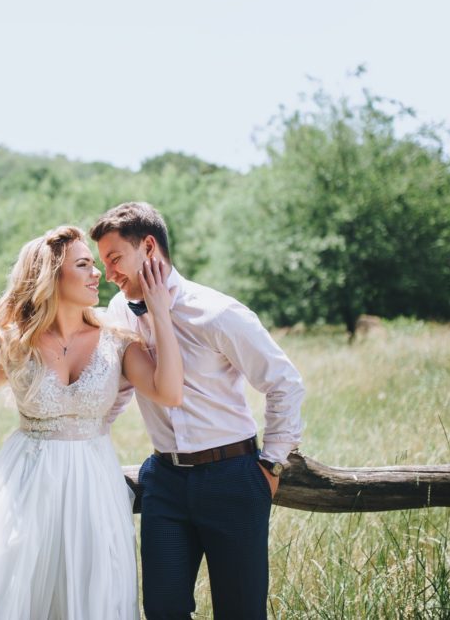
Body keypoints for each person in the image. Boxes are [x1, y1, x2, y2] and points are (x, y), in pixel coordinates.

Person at [0, 224, 184, 620]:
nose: (98, 273)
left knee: (93, 595)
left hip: (95, 488)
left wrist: (159, 313)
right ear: (51, 276)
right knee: (16, 594)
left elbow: (170, 392)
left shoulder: (117, 340)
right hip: (25, 488)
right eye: (85, 264)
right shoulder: (11, 341)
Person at [90, 202, 306, 620]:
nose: (109, 274)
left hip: (234, 477)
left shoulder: (218, 312)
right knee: (163, 611)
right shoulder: (119, 312)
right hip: (165, 483)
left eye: (115, 259)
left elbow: (284, 383)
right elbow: (117, 388)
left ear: (148, 247)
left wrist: (271, 467)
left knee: (240, 612)